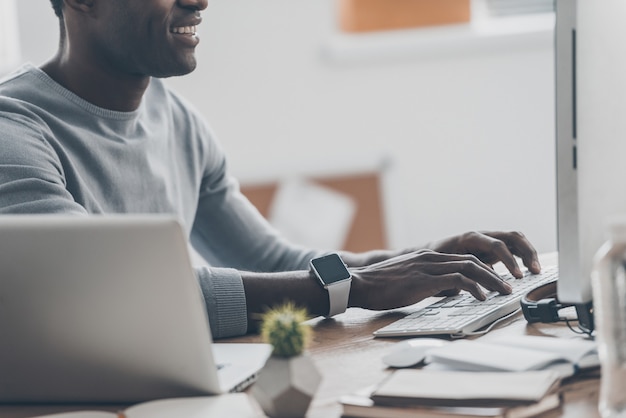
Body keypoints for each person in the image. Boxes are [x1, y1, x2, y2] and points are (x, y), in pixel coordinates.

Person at [0, 0, 541, 339]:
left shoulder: (176, 119)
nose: (199, 2)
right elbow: (118, 296)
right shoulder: (14, 131)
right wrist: (353, 288)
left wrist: (414, 261)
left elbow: (273, 259)